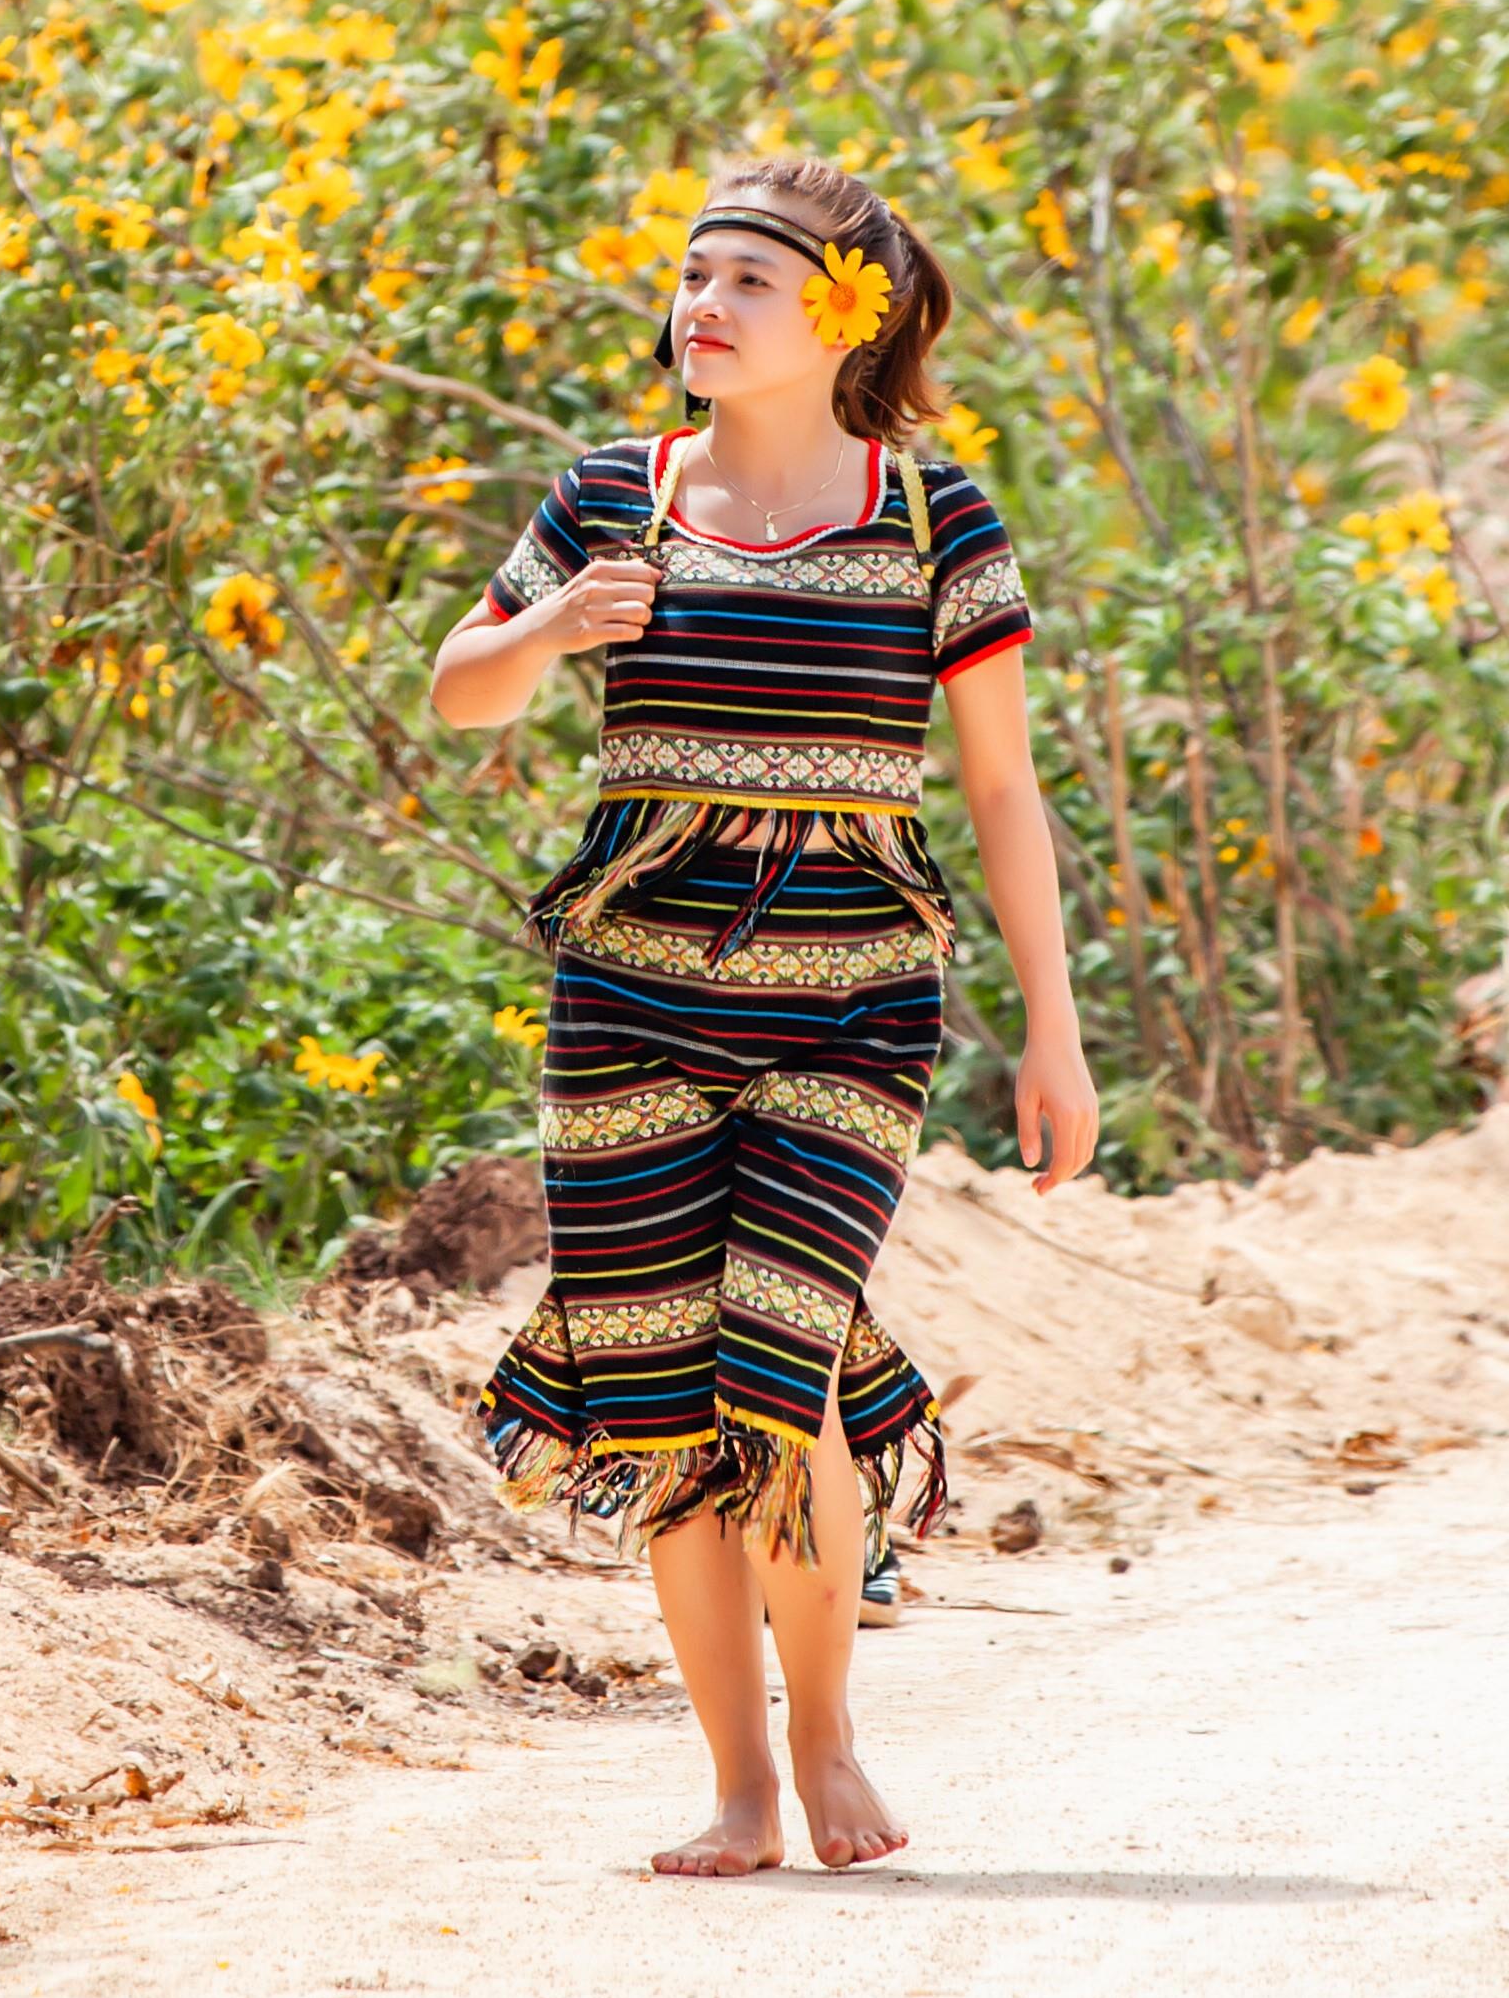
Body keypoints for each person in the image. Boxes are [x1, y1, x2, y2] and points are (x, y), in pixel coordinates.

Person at [424, 153, 1097, 1876]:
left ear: (841, 320)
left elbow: (1005, 794)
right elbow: (458, 693)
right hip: (626, 1000)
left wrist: (1055, 1030)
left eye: (747, 283)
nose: (701, 306)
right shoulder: (610, 492)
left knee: (779, 1362)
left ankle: (834, 1747)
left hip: (857, 1005)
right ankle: (735, 1784)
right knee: (660, 1387)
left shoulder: (934, 518)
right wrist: (558, 624)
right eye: (693, 274)